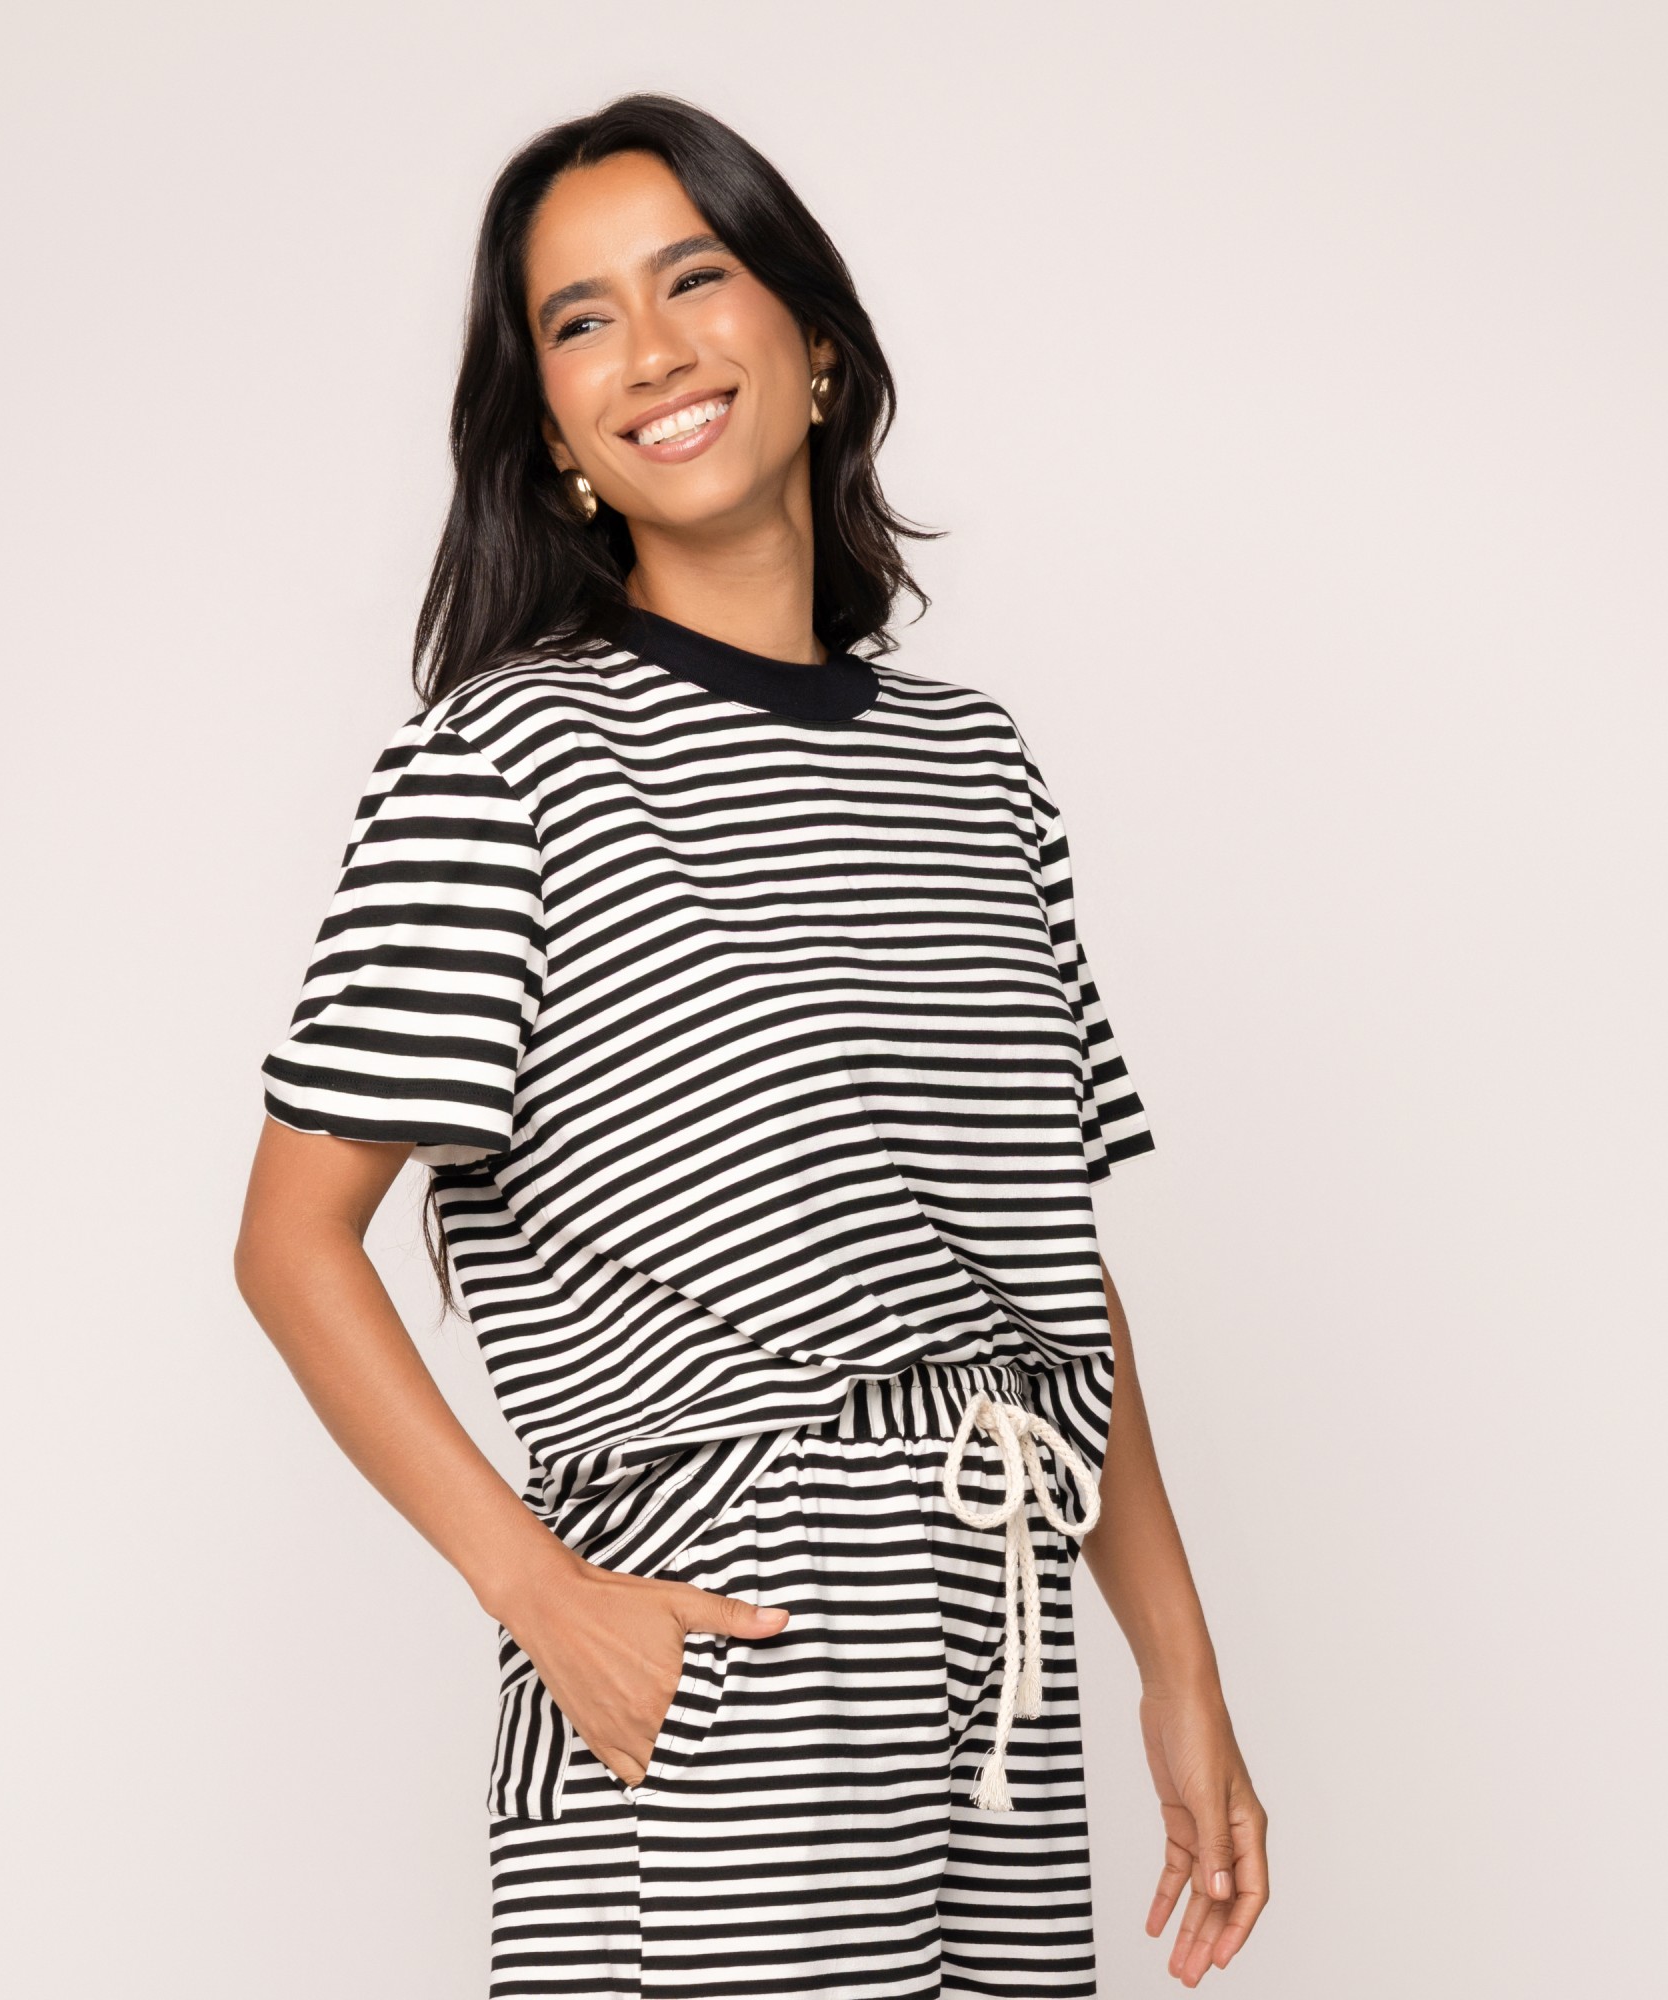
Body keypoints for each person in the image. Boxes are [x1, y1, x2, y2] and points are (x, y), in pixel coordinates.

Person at [233, 92, 1269, 1999]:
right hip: (721, 1630)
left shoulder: (977, 769)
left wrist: (1179, 1667)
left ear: (816, 344)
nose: (651, 350)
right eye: (581, 321)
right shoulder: (507, 761)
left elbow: (1049, 1260)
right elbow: (291, 1241)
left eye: (694, 279)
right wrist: (542, 1594)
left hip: (997, 1625)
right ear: (554, 436)